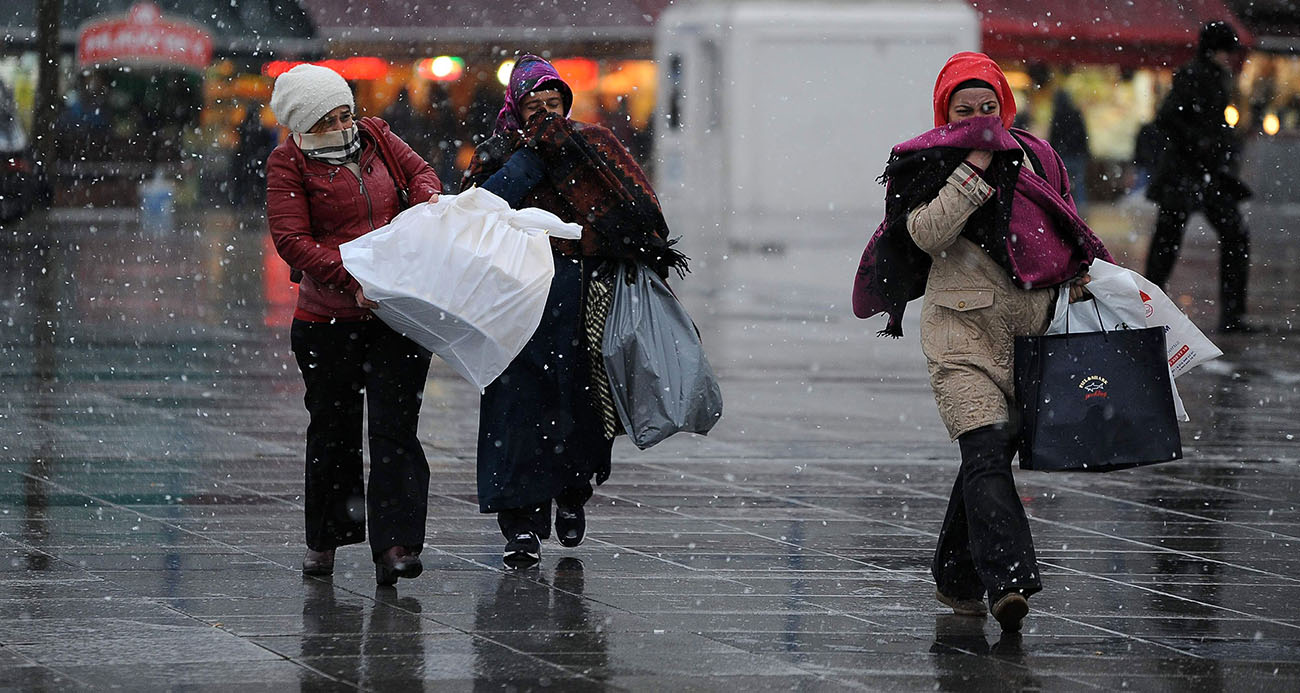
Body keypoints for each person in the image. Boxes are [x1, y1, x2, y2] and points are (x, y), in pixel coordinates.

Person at [851, 52, 1112, 632]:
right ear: (946, 112)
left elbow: (1065, 225)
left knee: (983, 462)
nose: (979, 116)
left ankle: (955, 577)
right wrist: (971, 171)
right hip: (960, 336)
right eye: (964, 109)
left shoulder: (1038, 156)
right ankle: (1009, 582)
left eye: (987, 106)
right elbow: (923, 233)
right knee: (986, 451)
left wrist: (1084, 270)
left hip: (1030, 339)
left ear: (1005, 104)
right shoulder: (925, 162)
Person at [461, 55, 688, 568]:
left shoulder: (596, 146)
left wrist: (584, 238)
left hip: (587, 295)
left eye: (553, 102)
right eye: (533, 105)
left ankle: (572, 492)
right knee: (515, 408)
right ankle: (520, 525)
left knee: (579, 404)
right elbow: (476, 216)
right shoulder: (500, 154)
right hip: (515, 297)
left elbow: (642, 219)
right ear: (514, 111)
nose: (545, 113)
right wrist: (529, 162)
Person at [265, 64, 442, 585]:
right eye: (329, 118)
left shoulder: (378, 136)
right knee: (334, 433)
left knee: (396, 431)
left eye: (347, 112)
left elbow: (422, 173)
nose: (344, 125)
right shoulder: (287, 162)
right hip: (328, 320)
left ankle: (396, 543)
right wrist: (350, 278)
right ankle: (326, 539)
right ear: (304, 123)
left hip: (395, 313)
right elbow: (292, 240)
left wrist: (423, 197)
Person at [1145, 21, 1254, 333]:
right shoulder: (1195, 75)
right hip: (1190, 173)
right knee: (1171, 241)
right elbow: (1168, 118)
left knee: (1177, 241)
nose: (1229, 58)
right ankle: (1148, 307)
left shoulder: (1212, 75)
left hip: (1201, 174)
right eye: (1226, 51)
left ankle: (1148, 308)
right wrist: (1201, 141)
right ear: (1216, 50)